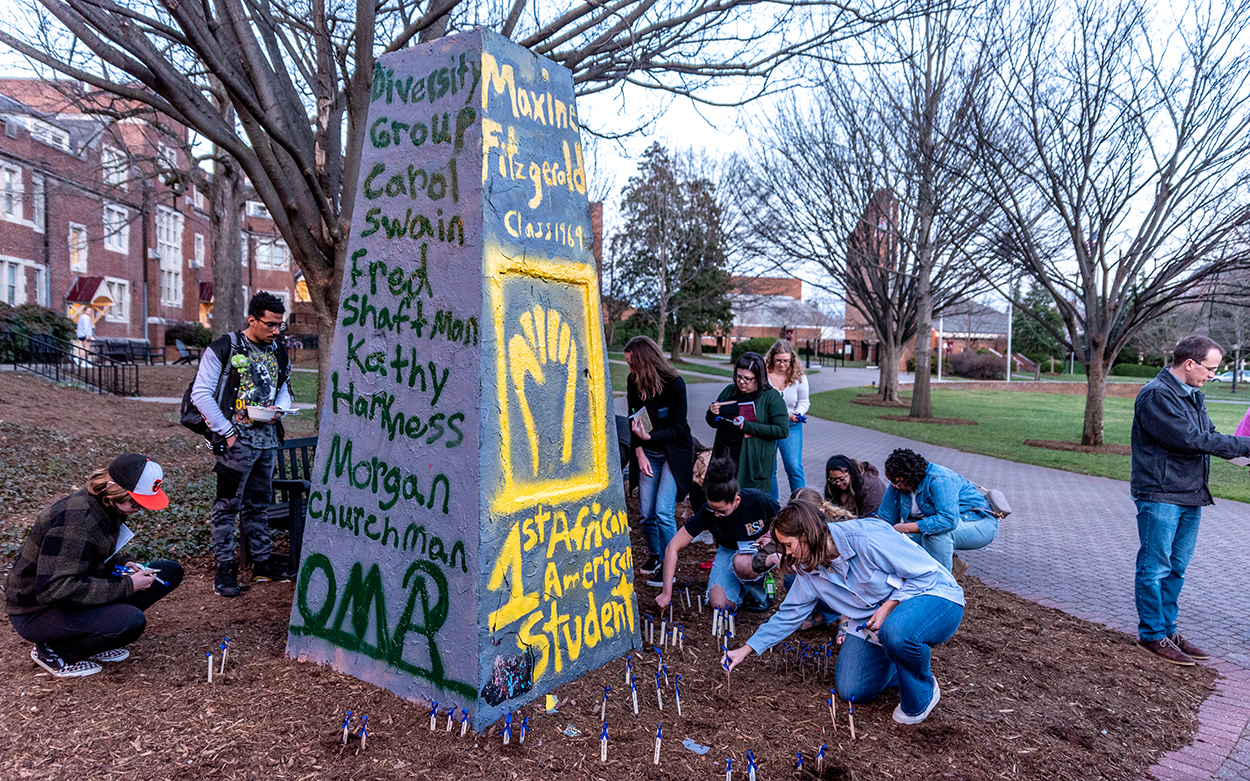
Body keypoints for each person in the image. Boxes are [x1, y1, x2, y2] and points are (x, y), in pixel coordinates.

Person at [724, 499, 964, 725]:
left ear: (807, 535)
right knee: (853, 689)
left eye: (789, 545)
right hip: (874, 620)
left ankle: (922, 692)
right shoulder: (809, 567)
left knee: (897, 632)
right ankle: (903, 662)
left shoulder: (867, 537)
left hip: (933, 596)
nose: (787, 553)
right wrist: (746, 649)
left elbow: (926, 573)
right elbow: (790, 614)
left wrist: (888, 607)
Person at [5, 454, 184, 678]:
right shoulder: (77, 522)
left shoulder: (108, 506)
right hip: (36, 610)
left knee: (169, 571)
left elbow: (98, 553)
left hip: (74, 586)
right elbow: (54, 589)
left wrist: (124, 563)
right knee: (130, 622)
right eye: (135, 502)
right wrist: (128, 585)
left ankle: (94, 639)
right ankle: (55, 651)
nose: (139, 508)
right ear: (112, 488)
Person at [1130, 335, 1250, 666]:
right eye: (1210, 369)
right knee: (1154, 568)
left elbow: (1208, 437)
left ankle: (1167, 629)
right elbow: (1190, 439)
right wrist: (1246, 446)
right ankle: (1152, 635)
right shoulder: (1156, 395)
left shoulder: (1193, 395)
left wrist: (1242, 456)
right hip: (1161, 493)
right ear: (1189, 364)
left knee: (1176, 567)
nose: (1212, 375)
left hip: (1190, 493)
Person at [191, 291, 295, 597]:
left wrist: (280, 408)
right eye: (271, 324)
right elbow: (201, 394)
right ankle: (225, 570)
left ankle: (262, 564)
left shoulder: (278, 350)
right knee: (226, 507)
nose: (277, 331)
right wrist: (227, 431)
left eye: (280, 325)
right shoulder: (225, 347)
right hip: (235, 445)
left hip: (267, 443)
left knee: (258, 506)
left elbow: (283, 388)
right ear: (252, 319)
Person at [654, 456, 780, 613]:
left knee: (741, 563)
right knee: (721, 606)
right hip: (728, 551)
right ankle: (742, 585)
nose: (715, 514)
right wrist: (666, 593)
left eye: (721, 511)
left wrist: (769, 536)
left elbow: (785, 521)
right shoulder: (707, 512)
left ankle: (763, 592)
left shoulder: (759, 500)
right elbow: (672, 547)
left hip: (757, 550)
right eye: (712, 508)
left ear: (736, 500)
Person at [624, 335, 695, 586]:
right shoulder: (634, 383)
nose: (631, 370)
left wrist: (649, 436)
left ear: (646, 361)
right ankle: (655, 555)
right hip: (648, 452)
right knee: (645, 513)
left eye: (633, 365)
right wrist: (640, 450)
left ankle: (669, 563)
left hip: (674, 453)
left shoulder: (675, 384)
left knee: (663, 511)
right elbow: (634, 420)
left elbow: (678, 428)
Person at [878, 448, 998, 574]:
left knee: (934, 534)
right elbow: (884, 519)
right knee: (901, 542)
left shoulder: (939, 479)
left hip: (979, 521)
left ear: (908, 476)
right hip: (945, 524)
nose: (892, 485)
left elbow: (947, 520)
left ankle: (941, 585)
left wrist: (905, 528)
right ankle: (951, 566)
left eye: (896, 481)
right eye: (890, 481)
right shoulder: (897, 487)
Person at [706, 352, 789, 493]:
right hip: (724, 458)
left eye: (747, 378)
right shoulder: (729, 391)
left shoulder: (771, 397)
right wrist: (712, 413)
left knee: (746, 500)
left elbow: (782, 430)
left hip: (751, 462)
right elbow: (713, 423)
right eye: (738, 376)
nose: (741, 382)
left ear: (759, 377)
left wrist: (747, 426)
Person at [765, 339, 810, 500]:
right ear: (771, 358)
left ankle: (803, 504)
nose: (782, 364)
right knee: (770, 468)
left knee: (793, 466)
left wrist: (798, 413)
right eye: (778, 360)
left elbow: (804, 402)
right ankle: (773, 505)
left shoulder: (799, 377)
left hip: (791, 426)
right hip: (769, 426)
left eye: (786, 361)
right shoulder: (764, 375)